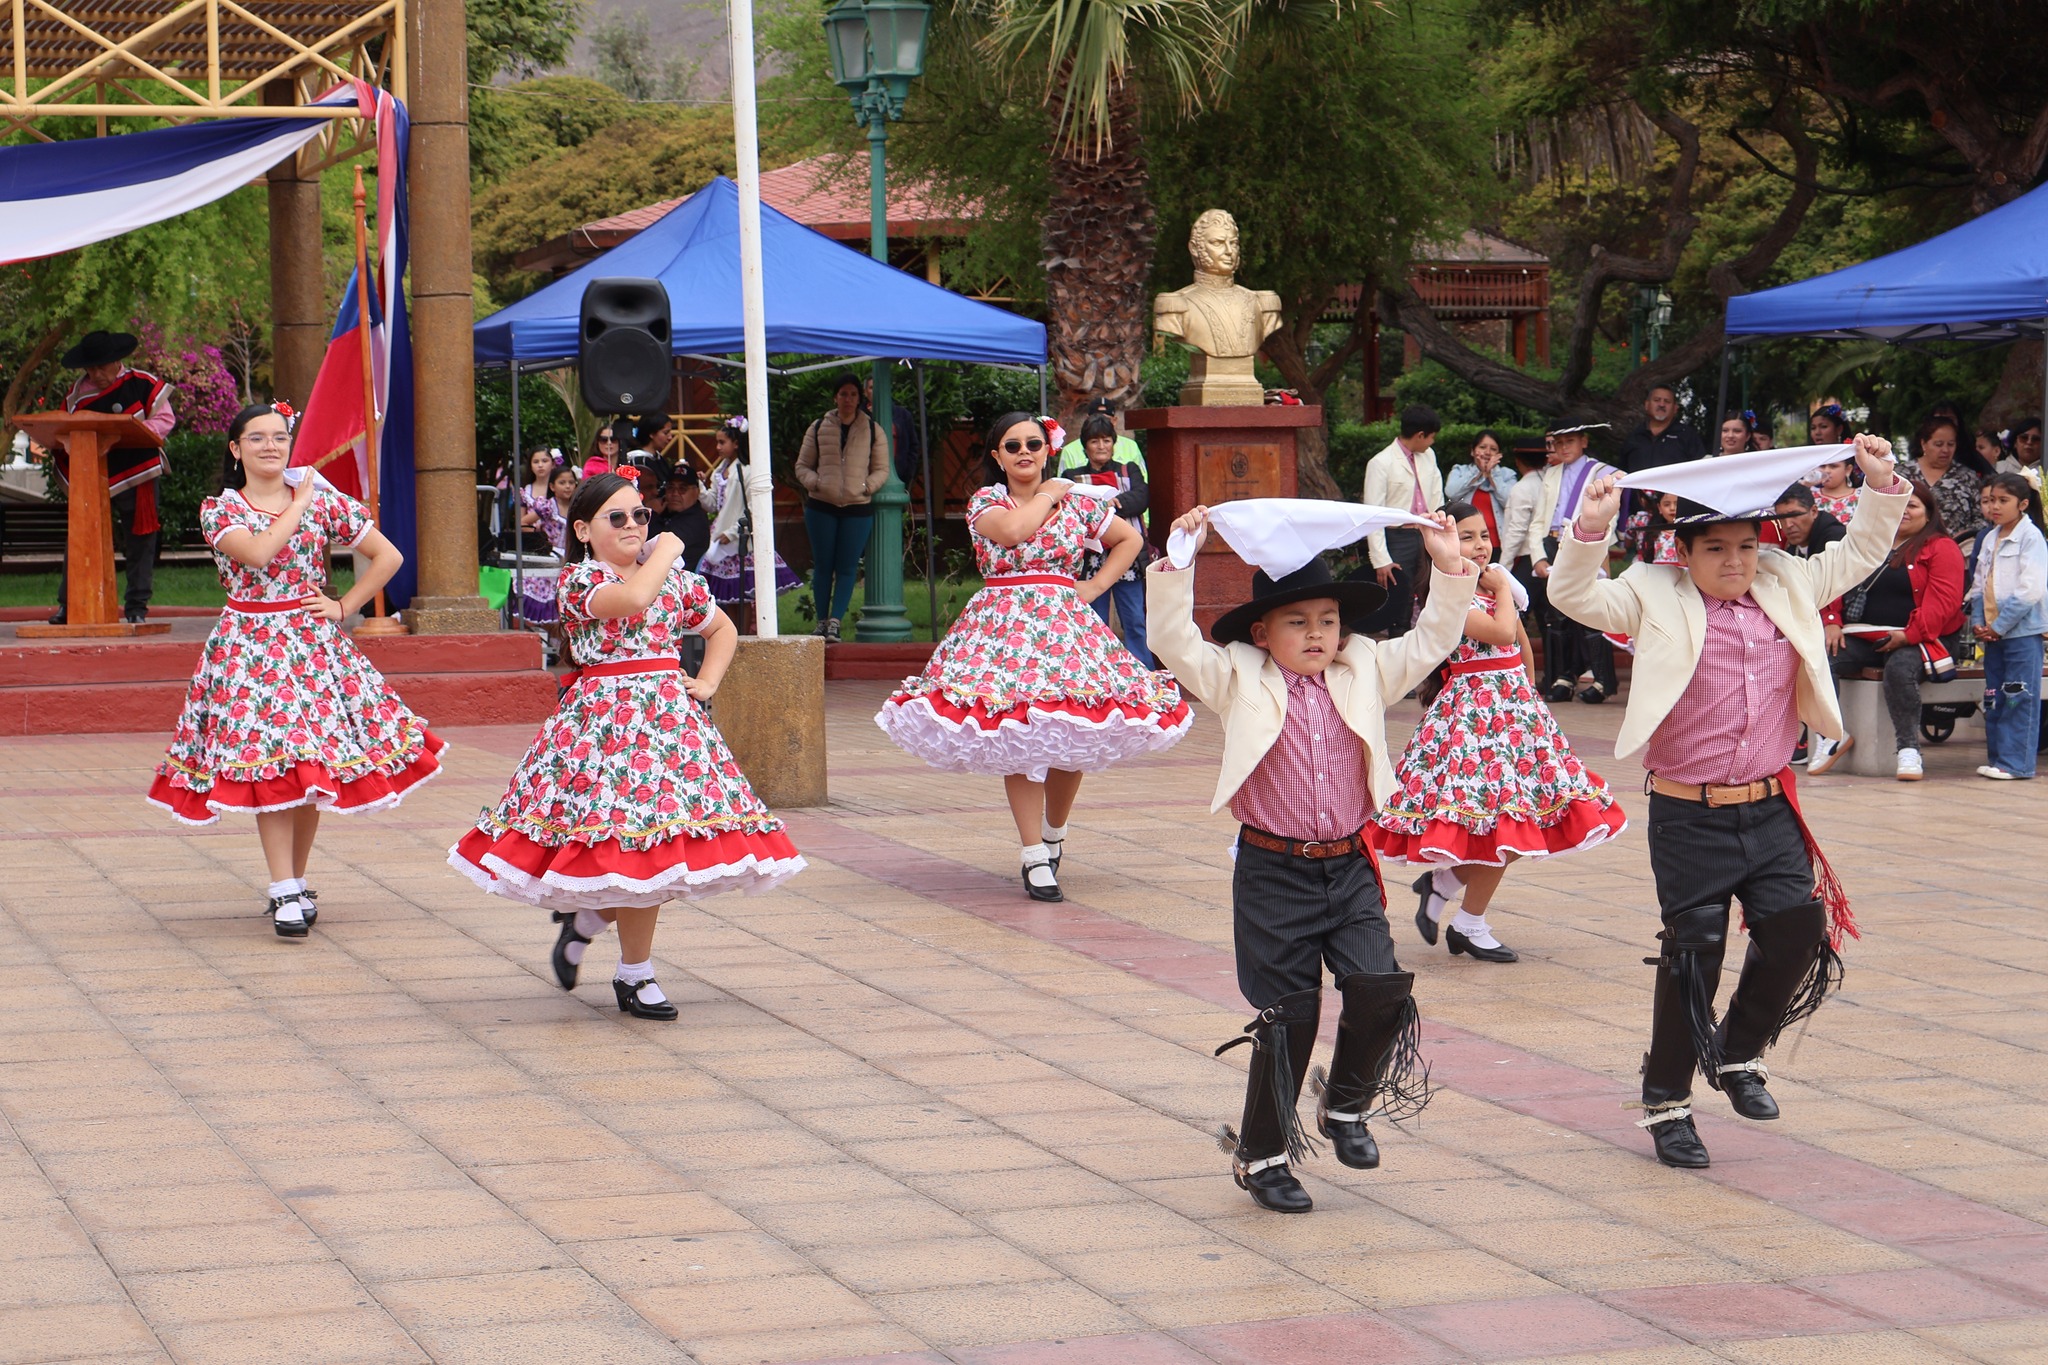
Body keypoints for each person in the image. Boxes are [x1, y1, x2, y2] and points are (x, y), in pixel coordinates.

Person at [1550, 437, 1908, 1168]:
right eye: (1717, 548)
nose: (1737, 561)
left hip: (1770, 804)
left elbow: (1864, 549)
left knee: (1799, 925)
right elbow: (1572, 595)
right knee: (1695, 956)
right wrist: (1591, 527)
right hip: (1688, 813)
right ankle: (1667, 1104)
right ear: (1686, 551)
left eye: (1748, 545)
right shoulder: (1653, 589)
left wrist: (1879, 482)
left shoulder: (1785, 579)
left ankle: (1738, 1052)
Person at [1148, 501, 1475, 1213]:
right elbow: (1172, 639)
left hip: (1348, 865)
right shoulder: (1236, 674)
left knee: (1380, 983)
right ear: (1263, 632)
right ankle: (1262, 1157)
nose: (1318, 633)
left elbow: (1434, 639)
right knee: (1289, 1015)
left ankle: (1346, 1104)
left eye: (1328, 619)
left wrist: (1447, 566)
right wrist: (1181, 556)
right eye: (1298, 621)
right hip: (1272, 870)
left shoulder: (1366, 668)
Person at [450, 473, 805, 1018]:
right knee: (624, 850)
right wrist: (674, 547)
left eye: (641, 514)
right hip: (604, 731)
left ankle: (609, 948)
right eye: (618, 517)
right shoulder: (580, 580)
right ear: (584, 530)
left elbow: (723, 630)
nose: (635, 525)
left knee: (654, 853)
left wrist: (707, 683)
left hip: (668, 730)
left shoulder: (672, 579)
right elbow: (635, 598)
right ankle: (626, 965)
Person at [147, 404, 445, 936]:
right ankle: (282, 887)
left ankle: (296, 881)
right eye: (256, 438)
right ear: (235, 449)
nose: (270, 446)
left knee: (312, 769)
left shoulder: (318, 496)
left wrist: (344, 604)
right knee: (272, 764)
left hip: (311, 647)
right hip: (249, 650)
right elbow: (259, 554)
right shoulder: (221, 508)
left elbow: (389, 556)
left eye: (280, 437)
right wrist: (302, 501)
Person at [876, 413, 1190, 902]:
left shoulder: (1080, 505)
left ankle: (1053, 833)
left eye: (1034, 444)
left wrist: (1094, 585)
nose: (1025, 451)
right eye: (1013, 445)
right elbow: (1013, 532)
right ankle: (1032, 855)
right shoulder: (987, 501)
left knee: (1073, 731)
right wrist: (1052, 492)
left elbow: (1129, 540)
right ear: (997, 456)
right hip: (1003, 628)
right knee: (1017, 734)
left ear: (1048, 450)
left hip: (1065, 627)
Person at [1374, 503, 1628, 965]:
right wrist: (1500, 588)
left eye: (1483, 535)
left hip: (1514, 715)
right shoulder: (1450, 598)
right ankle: (1466, 917)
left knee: (1529, 818)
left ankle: (1449, 889)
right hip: (1474, 722)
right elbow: (1501, 630)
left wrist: (1530, 694)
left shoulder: (1493, 588)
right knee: (1504, 823)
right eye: (1466, 537)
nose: (1479, 544)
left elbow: (1517, 646)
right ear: (1440, 547)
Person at [1826, 479, 1967, 782]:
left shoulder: (1943, 548)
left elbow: (1943, 605)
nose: (1904, 511)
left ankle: (1909, 750)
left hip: (1926, 639)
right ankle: (1831, 734)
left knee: (1900, 668)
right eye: (1898, 505)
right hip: (1866, 635)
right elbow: (1835, 580)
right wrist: (1832, 621)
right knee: (1820, 659)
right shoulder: (1867, 541)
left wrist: (1908, 636)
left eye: (1912, 505)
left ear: (1928, 513)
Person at [48, 330, 176, 625]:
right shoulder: (78, 394)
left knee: (141, 540)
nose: (96, 373)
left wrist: (127, 434)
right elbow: (63, 427)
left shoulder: (142, 384)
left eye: (101, 366)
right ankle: (70, 604)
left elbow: (164, 420)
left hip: (138, 472)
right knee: (80, 539)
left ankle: (136, 607)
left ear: (117, 361)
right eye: (90, 368)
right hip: (92, 475)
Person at [1513, 423, 1619, 704]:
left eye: (1570, 441)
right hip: (1553, 541)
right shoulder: (1551, 473)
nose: (1563, 448)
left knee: (1593, 613)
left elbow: (1612, 515)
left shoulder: (1602, 471)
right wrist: (1538, 556)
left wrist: (1598, 548)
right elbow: (1538, 520)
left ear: (1584, 441)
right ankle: (1563, 677)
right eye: (1558, 443)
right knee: (1556, 613)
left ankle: (1602, 680)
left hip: (1586, 542)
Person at [795, 373, 889, 643]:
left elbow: (882, 468)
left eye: (853, 394)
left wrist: (866, 487)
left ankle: (835, 622)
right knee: (823, 565)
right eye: (843, 394)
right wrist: (817, 483)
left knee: (847, 567)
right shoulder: (818, 427)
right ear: (835, 397)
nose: (848, 399)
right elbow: (802, 466)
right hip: (821, 506)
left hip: (857, 508)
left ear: (860, 398)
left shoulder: (873, 429)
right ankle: (821, 622)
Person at [1967, 473, 2047, 780]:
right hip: (1992, 632)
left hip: (2021, 633)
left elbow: (2031, 589)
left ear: (2023, 504)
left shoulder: (2031, 537)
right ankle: (1998, 759)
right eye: (1990, 500)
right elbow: (1979, 583)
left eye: (2003, 501)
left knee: (2018, 695)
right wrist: (1978, 621)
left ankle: (2017, 763)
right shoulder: (1989, 537)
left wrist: (1999, 625)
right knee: (1994, 696)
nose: (1995, 507)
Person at [1065, 413, 1154, 665]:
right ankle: (1098, 672)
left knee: (1135, 619)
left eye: (1106, 440)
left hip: (1127, 559)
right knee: (1094, 621)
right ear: (1085, 446)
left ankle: (1142, 673)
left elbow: (1141, 497)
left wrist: (1114, 503)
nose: (1101, 446)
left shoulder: (1129, 470)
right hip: (1090, 560)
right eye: (1094, 441)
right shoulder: (1072, 477)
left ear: (1114, 443)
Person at [1361, 404, 1446, 636]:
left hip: (1427, 531)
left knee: (1432, 591)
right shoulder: (1381, 463)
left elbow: (1437, 496)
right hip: (1398, 536)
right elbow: (1373, 513)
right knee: (1402, 599)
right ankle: (1398, 653)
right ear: (1420, 435)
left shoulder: (1429, 456)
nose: (1432, 442)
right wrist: (1380, 559)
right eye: (1431, 437)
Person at [701, 417, 800, 608]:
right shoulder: (718, 472)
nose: (718, 447)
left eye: (722, 442)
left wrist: (733, 532)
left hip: (740, 539)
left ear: (736, 443)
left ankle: (744, 636)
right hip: (720, 538)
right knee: (724, 598)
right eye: (717, 442)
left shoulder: (747, 471)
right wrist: (699, 487)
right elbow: (712, 504)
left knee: (742, 597)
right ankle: (733, 636)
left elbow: (754, 507)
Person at [1902, 414, 1983, 542]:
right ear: (1924, 444)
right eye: (1938, 444)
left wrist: (1965, 535)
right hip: (1907, 548)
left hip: (1957, 548)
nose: (1945, 450)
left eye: (1950, 444)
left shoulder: (1967, 477)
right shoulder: (1902, 475)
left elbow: (1981, 519)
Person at [1444, 429, 1517, 550]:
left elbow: (1510, 502)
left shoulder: (1507, 475)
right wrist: (1478, 472)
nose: (1488, 452)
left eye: (1493, 449)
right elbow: (1451, 493)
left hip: (1499, 544)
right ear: (1472, 451)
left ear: (1499, 454)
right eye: (1483, 447)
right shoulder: (1460, 470)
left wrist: (1492, 474)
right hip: (1465, 544)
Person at [1619, 384, 1705, 475]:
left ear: (1675, 408)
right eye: (1657, 400)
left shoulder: (1688, 436)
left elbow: (1700, 472)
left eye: (1667, 401)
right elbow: (1622, 473)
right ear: (1647, 405)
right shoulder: (1634, 436)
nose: (1661, 404)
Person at [1057, 397, 1148, 483]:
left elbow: (1142, 483)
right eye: (1094, 442)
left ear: (1114, 421)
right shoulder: (1069, 450)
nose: (1101, 447)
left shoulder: (1131, 446)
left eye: (1106, 419)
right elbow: (1063, 486)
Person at [649, 464, 712, 569]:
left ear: (696, 492)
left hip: (678, 579)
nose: (675, 493)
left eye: (682, 489)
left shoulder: (695, 521)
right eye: (670, 488)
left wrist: (652, 515)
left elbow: (655, 547)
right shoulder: (671, 511)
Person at [1811, 456, 1860, 524]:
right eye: (1822, 466)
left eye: (1833, 466)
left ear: (1848, 470)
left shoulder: (1863, 496)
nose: (1826, 471)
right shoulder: (1809, 496)